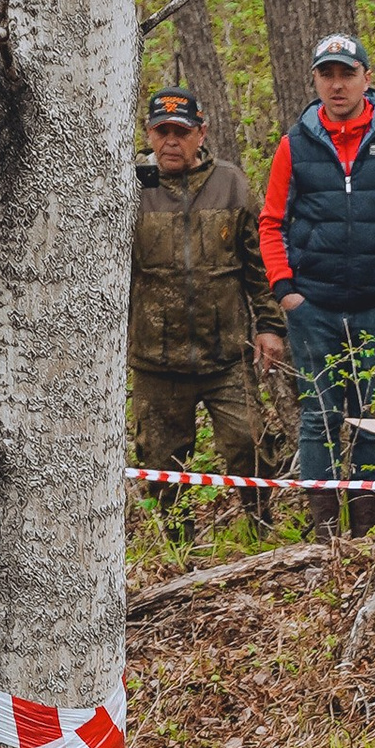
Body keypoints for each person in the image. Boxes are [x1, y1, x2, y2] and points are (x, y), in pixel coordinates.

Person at [256, 32, 375, 533]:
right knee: (318, 419)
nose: (337, 85)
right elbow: (270, 222)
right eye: (327, 74)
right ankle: (324, 536)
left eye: (347, 74)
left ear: (366, 79)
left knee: (373, 423)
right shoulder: (294, 144)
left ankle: (366, 532)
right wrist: (286, 293)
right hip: (313, 308)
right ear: (314, 80)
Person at [128, 84, 276, 532]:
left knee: (250, 447)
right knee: (161, 466)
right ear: (149, 134)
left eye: (181, 131)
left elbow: (259, 263)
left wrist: (270, 326)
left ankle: (261, 528)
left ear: (201, 133)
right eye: (162, 131)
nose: (171, 141)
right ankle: (179, 547)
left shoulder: (230, 183)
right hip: (156, 361)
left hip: (225, 355)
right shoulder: (128, 186)